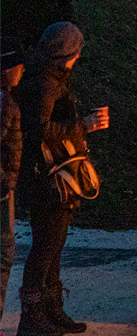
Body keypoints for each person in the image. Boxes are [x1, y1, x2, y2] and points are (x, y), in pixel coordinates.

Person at [17, 22, 109, 335]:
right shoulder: (45, 82)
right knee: (46, 245)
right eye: (76, 52)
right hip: (46, 176)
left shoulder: (51, 77)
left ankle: (52, 309)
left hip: (53, 173)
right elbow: (40, 130)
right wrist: (84, 125)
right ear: (65, 54)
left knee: (54, 244)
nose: (78, 58)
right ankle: (32, 316)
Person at [1, 40, 26, 325]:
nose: (22, 70)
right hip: (1, 191)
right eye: (18, 65)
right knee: (3, 253)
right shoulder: (5, 104)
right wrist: (5, 182)